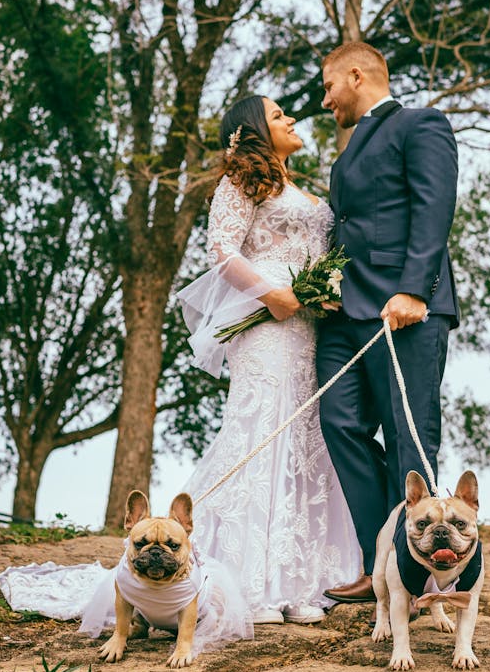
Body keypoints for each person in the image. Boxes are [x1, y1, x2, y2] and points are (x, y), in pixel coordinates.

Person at [178, 94, 360, 625]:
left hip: (309, 328)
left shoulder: (303, 187)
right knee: (262, 433)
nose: (293, 119)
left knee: (307, 440)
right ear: (256, 129)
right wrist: (270, 294)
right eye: (280, 116)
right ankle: (246, 582)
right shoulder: (240, 182)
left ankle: (299, 582)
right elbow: (223, 250)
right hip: (267, 326)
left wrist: (323, 291)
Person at [316, 42, 459, 604]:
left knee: (408, 436)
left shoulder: (422, 124)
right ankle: (381, 558)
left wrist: (414, 290)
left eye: (329, 86)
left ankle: (417, 574)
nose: (325, 100)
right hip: (345, 315)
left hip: (407, 311)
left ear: (356, 75)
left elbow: (434, 205)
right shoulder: (348, 151)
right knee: (339, 422)